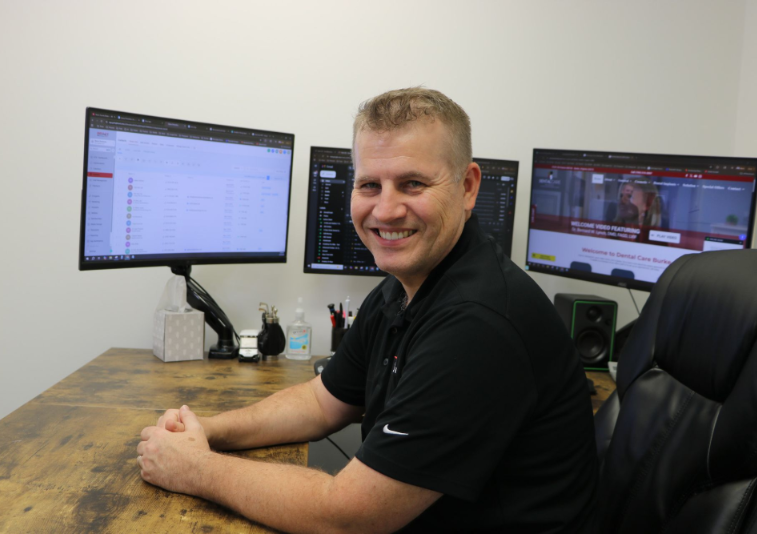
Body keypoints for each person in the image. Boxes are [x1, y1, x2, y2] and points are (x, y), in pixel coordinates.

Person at [137, 88, 598, 533]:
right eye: (369, 185)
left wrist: (196, 468)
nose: (386, 209)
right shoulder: (407, 286)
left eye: (413, 183)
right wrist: (205, 431)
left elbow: (347, 517)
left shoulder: (478, 325)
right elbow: (321, 402)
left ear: (468, 187)